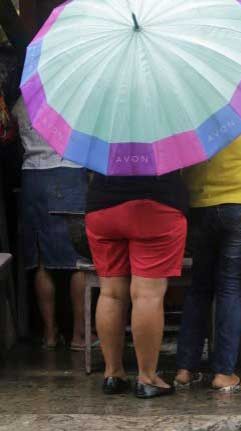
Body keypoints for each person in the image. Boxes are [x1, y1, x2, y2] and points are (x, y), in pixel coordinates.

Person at [174, 102, 241, 392]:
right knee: (230, 287)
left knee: (199, 287)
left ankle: (185, 368)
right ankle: (223, 372)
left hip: (199, 202)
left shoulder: (187, 98)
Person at [86, 170, 188, 398]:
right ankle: (147, 378)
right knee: (147, 295)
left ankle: (113, 374)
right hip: (157, 204)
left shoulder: (106, 131)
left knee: (110, 293)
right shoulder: (167, 131)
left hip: (103, 205)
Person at [14, 99, 90, 351]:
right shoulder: (72, 97)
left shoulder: (21, 102)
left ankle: (49, 334)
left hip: (32, 177)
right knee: (79, 260)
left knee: (41, 261)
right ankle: (79, 335)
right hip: (67, 173)